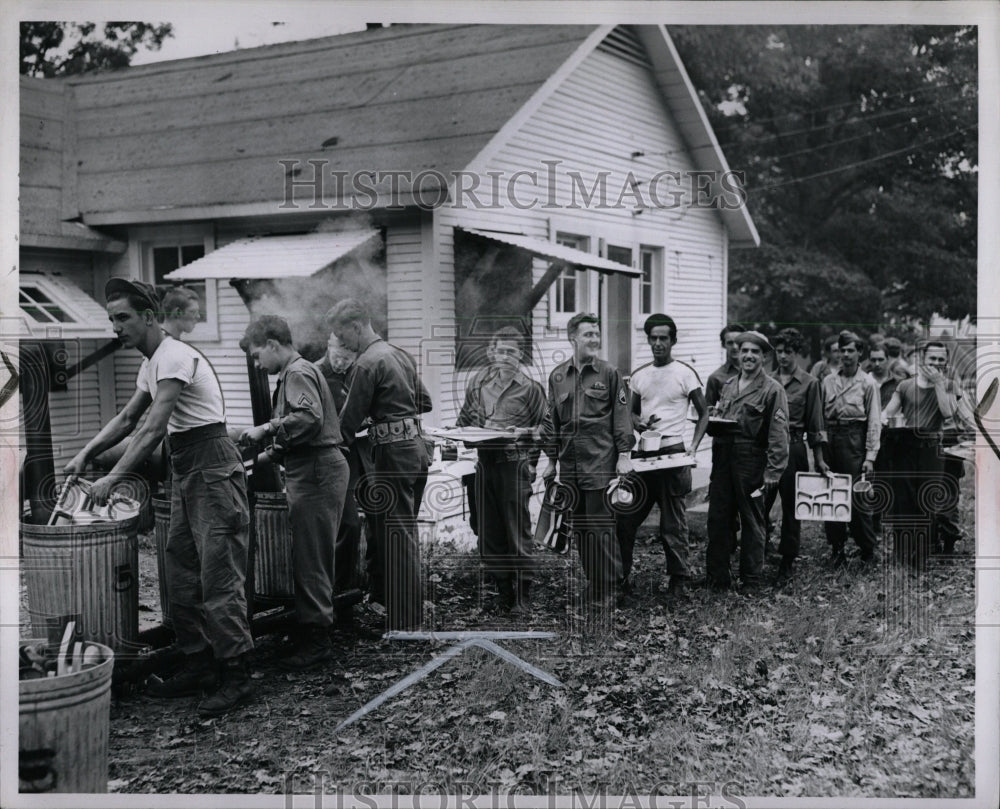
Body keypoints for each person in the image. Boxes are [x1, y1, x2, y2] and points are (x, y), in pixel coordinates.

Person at [64, 278, 253, 718]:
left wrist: (112, 476)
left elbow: (151, 429)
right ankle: (199, 664)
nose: (116, 328)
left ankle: (237, 675)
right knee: (181, 572)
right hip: (187, 470)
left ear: (149, 318)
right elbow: (129, 417)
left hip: (213, 467)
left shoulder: (174, 356)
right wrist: (84, 453)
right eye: (111, 319)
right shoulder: (151, 363)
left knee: (218, 575)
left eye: (123, 318)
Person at [239, 316, 349, 667]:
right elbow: (302, 432)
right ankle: (313, 630)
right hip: (314, 466)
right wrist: (263, 458)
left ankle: (317, 642)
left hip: (317, 471)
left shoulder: (297, 373)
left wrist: (266, 428)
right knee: (311, 555)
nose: (258, 364)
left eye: (258, 356)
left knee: (311, 559)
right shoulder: (295, 373)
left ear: (273, 344)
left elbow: (308, 419)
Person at [327, 298, 432, 631]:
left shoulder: (367, 363)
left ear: (357, 327)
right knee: (402, 532)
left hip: (391, 454)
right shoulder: (399, 353)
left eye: (343, 335)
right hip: (416, 449)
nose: (343, 343)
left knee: (397, 538)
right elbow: (424, 402)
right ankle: (400, 610)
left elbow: (346, 425)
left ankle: (407, 622)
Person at [539, 313, 634, 614]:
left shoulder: (609, 373)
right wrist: (551, 461)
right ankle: (594, 583)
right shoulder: (557, 376)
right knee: (579, 529)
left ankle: (611, 587)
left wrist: (624, 455)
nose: (594, 339)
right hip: (570, 465)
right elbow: (551, 421)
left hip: (601, 462)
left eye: (597, 333)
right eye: (588, 334)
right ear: (572, 339)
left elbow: (622, 417)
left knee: (601, 528)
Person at [616, 314, 708, 599]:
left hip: (674, 454)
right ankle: (621, 579)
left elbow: (704, 413)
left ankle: (679, 580)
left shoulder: (684, 373)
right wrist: (638, 423)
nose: (658, 343)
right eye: (653, 338)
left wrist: (693, 446)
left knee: (673, 523)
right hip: (643, 455)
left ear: (673, 341)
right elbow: (628, 413)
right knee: (624, 516)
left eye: (663, 338)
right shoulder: (641, 374)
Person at [456, 326, 546, 614]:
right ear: (491, 354)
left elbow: (547, 428)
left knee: (517, 532)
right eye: (500, 351)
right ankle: (503, 590)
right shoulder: (478, 385)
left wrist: (529, 454)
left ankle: (523, 595)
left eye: (512, 352)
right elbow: (464, 422)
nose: (505, 357)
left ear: (520, 355)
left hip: (513, 465)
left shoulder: (531, 389)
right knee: (489, 532)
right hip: (485, 465)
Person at [705, 331, 788, 591]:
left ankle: (750, 579)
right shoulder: (728, 385)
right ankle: (717, 577)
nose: (748, 356)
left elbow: (778, 434)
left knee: (752, 520)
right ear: (737, 355)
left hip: (751, 459)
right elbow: (719, 420)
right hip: (723, 458)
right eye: (744, 351)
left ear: (764, 357)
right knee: (718, 517)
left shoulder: (773, 389)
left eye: (755, 352)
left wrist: (773, 472)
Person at [881, 341, 961, 565]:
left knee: (926, 503)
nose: (935, 363)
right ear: (922, 359)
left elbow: (947, 413)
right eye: (931, 358)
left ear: (945, 363)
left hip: (931, 447)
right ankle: (901, 554)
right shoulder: (905, 385)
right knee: (902, 500)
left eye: (940, 360)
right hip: (905, 446)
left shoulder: (950, 385)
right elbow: (888, 412)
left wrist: (938, 384)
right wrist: (882, 419)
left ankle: (921, 557)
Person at [315, 332, 373, 618]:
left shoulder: (359, 373)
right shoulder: (314, 374)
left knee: (375, 522)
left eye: (348, 359)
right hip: (335, 460)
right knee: (347, 524)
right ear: (329, 346)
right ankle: (337, 595)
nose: (342, 363)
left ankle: (361, 590)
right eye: (338, 356)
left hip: (363, 455)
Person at [764, 328, 828, 582]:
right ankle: (760, 550)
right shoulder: (767, 380)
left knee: (792, 508)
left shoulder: (810, 384)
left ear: (797, 354)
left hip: (794, 449)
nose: (782, 356)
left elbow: (816, 424)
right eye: (779, 351)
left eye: (788, 352)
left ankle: (787, 561)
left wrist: (820, 459)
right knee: (760, 504)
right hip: (768, 451)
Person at [821, 330, 881, 568]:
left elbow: (874, 421)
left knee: (857, 498)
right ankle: (837, 548)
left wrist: (870, 456)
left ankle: (867, 549)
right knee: (831, 494)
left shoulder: (867, 383)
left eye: (850, 350)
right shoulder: (827, 381)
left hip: (854, 440)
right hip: (831, 440)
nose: (845, 355)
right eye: (841, 350)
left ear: (859, 353)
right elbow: (821, 418)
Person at [705, 323, 746, 408]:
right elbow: (707, 412)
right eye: (730, 343)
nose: (734, 347)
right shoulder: (715, 378)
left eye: (738, 342)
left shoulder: (756, 372)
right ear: (723, 345)